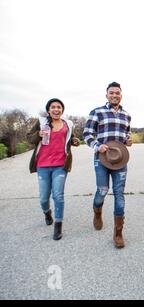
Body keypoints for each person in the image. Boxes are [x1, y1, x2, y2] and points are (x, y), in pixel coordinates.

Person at [83, 82, 132, 249]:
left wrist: (128, 139)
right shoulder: (97, 112)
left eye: (117, 93)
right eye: (112, 93)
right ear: (107, 95)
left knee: (119, 194)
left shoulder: (126, 114)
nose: (115, 95)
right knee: (102, 190)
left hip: (120, 160)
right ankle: (97, 212)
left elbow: (127, 133)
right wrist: (97, 146)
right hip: (102, 159)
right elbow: (87, 134)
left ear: (121, 95)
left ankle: (118, 233)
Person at [27, 98, 80, 240]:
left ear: (62, 110)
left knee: (58, 195)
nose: (56, 109)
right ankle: (47, 212)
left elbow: (71, 138)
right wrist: (38, 135)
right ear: (48, 110)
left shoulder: (68, 124)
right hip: (43, 165)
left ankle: (58, 225)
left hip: (60, 165)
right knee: (44, 197)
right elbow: (29, 138)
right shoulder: (41, 122)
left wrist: (75, 141)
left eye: (59, 107)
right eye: (53, 107)